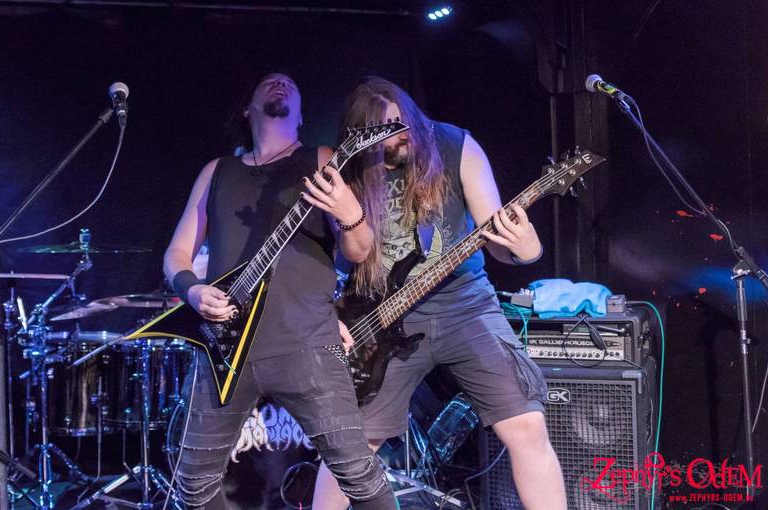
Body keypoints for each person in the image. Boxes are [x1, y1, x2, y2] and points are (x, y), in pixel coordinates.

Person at [312, 76, 567, 510]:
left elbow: (495, 237)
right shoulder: (347, 168)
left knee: (526, 425)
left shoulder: (456, 146)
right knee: (351, 445)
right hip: (380, 319)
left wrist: (523, 249)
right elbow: (344, 256)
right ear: (362, 136)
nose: (399, 137)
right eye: (384, 132)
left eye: (403, 125)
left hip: (465, 305)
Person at [163, 72, 397, 509]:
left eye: (290, 83)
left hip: (306, 340)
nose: (280, 84)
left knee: (358, 475)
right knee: (193, 484)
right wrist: (193, 291)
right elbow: (177, 253)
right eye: (269, 81)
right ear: (247, 108)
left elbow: (360, 250)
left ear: (302, 114)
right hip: (225, 349)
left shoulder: (321, 159)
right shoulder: (218, 171)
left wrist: (350, 213)